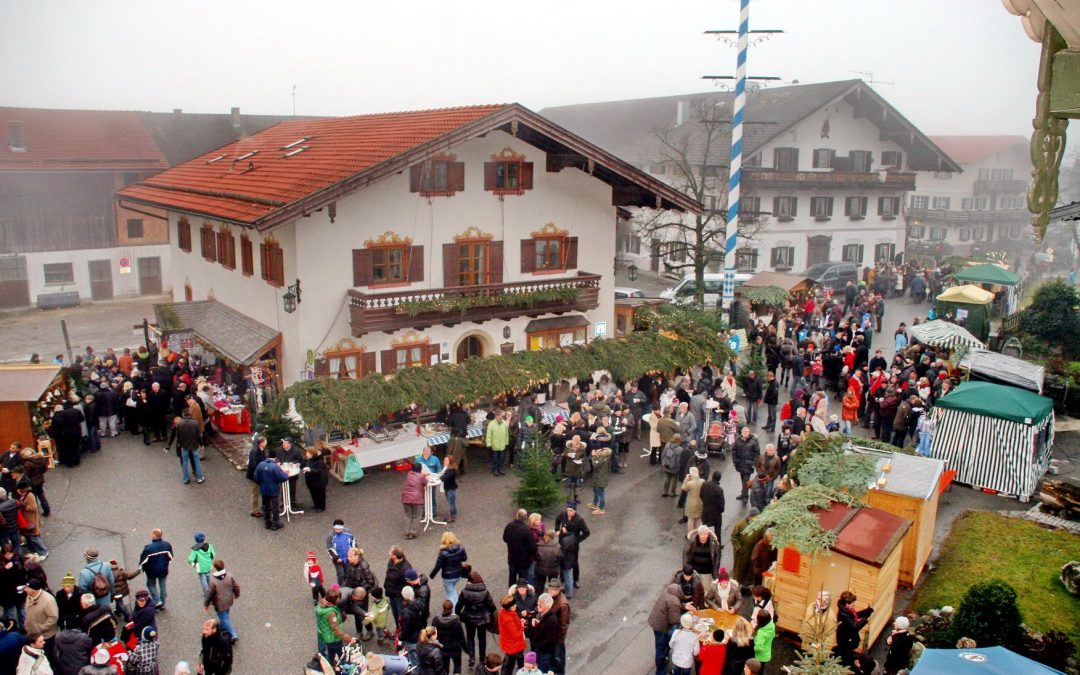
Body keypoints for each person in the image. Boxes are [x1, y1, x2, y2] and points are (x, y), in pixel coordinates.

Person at [455, 570, 495, 669]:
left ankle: (471, 657)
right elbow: (491, 605)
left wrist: (458, 613)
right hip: (482, 619)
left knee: (470, 637)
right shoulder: (484, 591)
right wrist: (492, 613)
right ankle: (482, 658)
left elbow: (459, 604)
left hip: (469, 618)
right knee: (482, 638)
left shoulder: (465, 591)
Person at [648, 583, 688, 675]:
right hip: (661, 626)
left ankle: (664, 659)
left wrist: (684, 606)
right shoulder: (674, 602)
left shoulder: (670, 591)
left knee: (661, 645)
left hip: (656, 621)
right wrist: (686, 616)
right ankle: (660, 672)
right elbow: (675, 620)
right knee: (660, 649)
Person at [553, 503, 588, 594]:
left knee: (574, 561)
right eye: (568, 510)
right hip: (563, 542)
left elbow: (586, 532)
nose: (569, 512)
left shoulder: (579, 520)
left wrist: (576, 540)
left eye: (571, 510)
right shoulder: (563, 514)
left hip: (573, 545)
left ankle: (576, 579)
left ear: (575, 511)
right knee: (561, 559)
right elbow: (557, 520)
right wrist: (557, 529)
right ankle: (562, 578)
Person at [315, 588, 355, 664]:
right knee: (342, 655)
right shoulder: (331, 613)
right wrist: (349, 639)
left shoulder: (321, 606)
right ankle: (343, 667)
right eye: (337, 599)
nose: (339, 600)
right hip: (333, 638)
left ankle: (330, 664)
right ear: (333, 601)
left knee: (331, 653)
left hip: (326, 635)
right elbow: (336, 630)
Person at [203, 559, 239, 643]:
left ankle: (233, 634)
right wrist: (236, 594)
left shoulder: (213, 580)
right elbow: (235, 586)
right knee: (225, 615)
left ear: (215, 568)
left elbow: (210, 594)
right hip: (229, 600)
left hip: (219, 603)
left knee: (224, 618)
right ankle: (222, 628)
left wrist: (206, 605)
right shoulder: (229, 575)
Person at [834, 590, 873, 667]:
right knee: (846, 653)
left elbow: (854, 616)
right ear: (847, 604)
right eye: (853, 603)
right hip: (845, 639)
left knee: (851, 647)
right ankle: (845, 665)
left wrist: (866, 612)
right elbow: (855, 626)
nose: (854, 604)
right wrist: (865, 619)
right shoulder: (843, 614)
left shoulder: (847, 610)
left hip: (849, 636)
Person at [253, 450, 288, 531]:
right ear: (275, 457)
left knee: (265, 506)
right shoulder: (275, 467)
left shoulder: (260, 465)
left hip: (264, 489)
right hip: (273, 490)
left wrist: (261, 483)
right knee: (275, 507)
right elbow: (283, 477)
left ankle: (267, 522)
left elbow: (255, 477)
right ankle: (276, 523)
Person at [430, 532, 468, 606]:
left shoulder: (443, 552)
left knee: (450, 593)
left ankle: (454, 610)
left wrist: (432, 575)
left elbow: (438, 566)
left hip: (448, 577)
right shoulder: (461, 548)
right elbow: (465, 558)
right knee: (452, 589)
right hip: (458, 574)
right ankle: (455, 606)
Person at [138, 529, 172, 611]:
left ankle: (157, 601)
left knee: (151, 584)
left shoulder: (148, 548)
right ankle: (163, 604)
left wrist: (140, 568)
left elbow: (143, 561)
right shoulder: (167, 545)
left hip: (151, 571)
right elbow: (170, 557)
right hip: (163, 570)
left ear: (154, 535)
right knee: (162, 586)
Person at [22, 580, 57, 660]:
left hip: (45, 637)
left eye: (27, 588)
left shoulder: (48, 600)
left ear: (33, 590)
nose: (25, 589)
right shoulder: (29, 596)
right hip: (31, 634)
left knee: (47, 657)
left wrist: (41, 628)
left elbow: (53, 617)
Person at [502, 510, 536, 589]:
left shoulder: (509, 526)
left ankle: (511, 596)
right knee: (523, 581)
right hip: (524, 561)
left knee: (512, 580)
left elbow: (504, 538)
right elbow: (533, 547)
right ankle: (522, 596)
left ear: (517, 515)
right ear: (526, 517)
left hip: (512, 559)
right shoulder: (526, 530)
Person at [432, 599, 466, 675]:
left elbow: (433, 634)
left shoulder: (436, 619)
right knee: (457, 666)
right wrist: (466, 649)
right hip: (455, 647)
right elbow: (461, 637)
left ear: (443, 608)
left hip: (442, 648)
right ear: (452, 608)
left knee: (445, 668)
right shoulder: (456, 620)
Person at [526, 593, 559, 674]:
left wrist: (537, 645)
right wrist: (539, 623)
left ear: (548, 606)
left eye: (540, 604)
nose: (538, 605)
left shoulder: (552, 620)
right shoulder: (545, 614)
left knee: (542, 671)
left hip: (544, 652)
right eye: (538, 603)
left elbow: (549, 639)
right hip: (541, 650)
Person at [171, 410, 204, 484]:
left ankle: (186, 478)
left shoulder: (180, 424)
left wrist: (180, 444)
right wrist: (201, 444)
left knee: (185, 462)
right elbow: (198, 435)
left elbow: (178, 436)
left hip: (184, 446)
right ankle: (200, 477)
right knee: (197, 461)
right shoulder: (195, 423)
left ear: (183, 415)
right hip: (194, 445)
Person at [497, 594, 526, 675]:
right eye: (514, 605)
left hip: (510, 644)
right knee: (509, 666)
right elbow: (516, 635)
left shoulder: (504, 612)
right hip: (513, 646)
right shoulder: (508, 620)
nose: (515, 605)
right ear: (510, 607)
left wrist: (519, 622)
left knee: (508, 662)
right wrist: (522, 627)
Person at [384, 546, 411, 628]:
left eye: (391, 552)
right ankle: (398, 630)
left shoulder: (406, 568)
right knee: (395, 614)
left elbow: (408, 584)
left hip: (399, 596)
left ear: (395, 555)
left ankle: (403, 632)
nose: (389, 553)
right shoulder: (391, 561)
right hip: (391, 593)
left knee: (401, 616)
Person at [325, 519, 357, 587]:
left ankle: (348, 585)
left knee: (348, 572)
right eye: (336, 529)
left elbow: (353, 542)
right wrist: (336, 558)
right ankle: (342, 587)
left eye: (340, 529)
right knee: (341, 574)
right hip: (338, 559)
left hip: (348, 557)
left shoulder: (348, 533)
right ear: (334, 528)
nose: (338, 531)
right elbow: (330, 549)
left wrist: (354, 552)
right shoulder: (330, 537)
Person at [399, 586, 424, 667]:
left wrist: (400, 637)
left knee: (414, 661)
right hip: (419, 635)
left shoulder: (406, 612)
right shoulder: (420, 604)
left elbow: (406, 630)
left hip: (411, 639)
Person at [732, 427, 759, 503]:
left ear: (749, 432)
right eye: (743, 431)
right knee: (742, 479)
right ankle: (743, 494)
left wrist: (753, 463)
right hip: (740, 464)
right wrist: (735, 461)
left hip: (748, 465)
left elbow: (757, 453)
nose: (745, 432)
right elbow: (734, 451)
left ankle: (745, 496)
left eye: (746, 431)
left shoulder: (754, 441)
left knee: (746, 481)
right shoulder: (738, 440)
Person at [245, 435, 267, 519]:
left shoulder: (262, 450)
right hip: (255, 476)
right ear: (261, 443)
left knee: (260, 491)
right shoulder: (255, 451)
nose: (266, 443)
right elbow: (255, 465)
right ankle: (254, 510)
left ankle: (263, 507)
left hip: (260, 475)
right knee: (255, 493)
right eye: (265, 441)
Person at [401, 465, 426, 540]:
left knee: (408, 516)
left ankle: (407, 532)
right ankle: (412, 533)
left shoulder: (409, 474)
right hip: (416, 499)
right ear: (420, 469)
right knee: (417, 516)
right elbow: (426, 482)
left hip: (406, 498)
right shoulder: (421, 476)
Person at [302, 446, 329, 512]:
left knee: (320, 495)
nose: (306, 454)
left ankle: (321, 507)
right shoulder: (309, 460)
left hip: (319, 482)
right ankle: (317, 505)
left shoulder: (319, 461)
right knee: (314, 494)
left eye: (307, 453)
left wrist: (310, 470)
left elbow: (319, 471)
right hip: (312, 482)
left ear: (311, 453)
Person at [486, 410, 511, 476]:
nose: (498, 417)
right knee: (495, 458)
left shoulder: (505, 423)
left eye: (499, 416)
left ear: (501, 416)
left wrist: (506, 442)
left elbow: (506, 434)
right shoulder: (491, 424)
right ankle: (495, 469)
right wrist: (489, 443)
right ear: (495, 416)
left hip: (502, 444)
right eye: (497, 416)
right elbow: (488, 435)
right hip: (494, 444)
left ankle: (500, 469)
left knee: (501, 458)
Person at [681, 467, 704, 532]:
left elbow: (683, 488)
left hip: (691, 505)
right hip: (700, 503)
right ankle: (698, 534)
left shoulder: (689, 483)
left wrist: (686, 479)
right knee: (699, 520)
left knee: (691, 520)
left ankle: (691, 536)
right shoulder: (702, 481)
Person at [443, 455, 460, 523]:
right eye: (444, 460)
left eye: (446, 460)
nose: (444, 461)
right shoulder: (447, 468)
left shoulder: (451, 470)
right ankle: (453, 514)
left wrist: (440, 476)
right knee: (451, 502)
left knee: (451, 503)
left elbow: (444, 478)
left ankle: (452, 517)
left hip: (451, 488)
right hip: (448, 487)